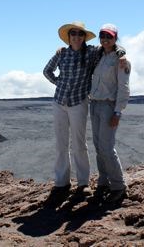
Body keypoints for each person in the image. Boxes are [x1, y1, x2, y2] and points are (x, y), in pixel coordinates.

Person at [43, 21, 98, 195]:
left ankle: (83, 183)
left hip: (78, 103)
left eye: (80, 34)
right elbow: (47, 71)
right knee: (61, 143)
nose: (76, 37)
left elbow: (109, 47)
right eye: (73, 33)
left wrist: (121, 54)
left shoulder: (90, 53)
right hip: (59, 102)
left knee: (79, 144)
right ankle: (61, 182)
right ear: (69, 37)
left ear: (84, 37)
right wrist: (58, 82)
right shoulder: (62, 54)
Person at [89, 23, 130, 203]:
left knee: (107, 147)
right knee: (98, 146)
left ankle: (118, 186)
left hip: (108, 106)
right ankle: (103, 181)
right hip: (95, 104)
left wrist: (118, 112)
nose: (105, 40)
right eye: (102, 36)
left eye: (110, 37)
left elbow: (124, 87)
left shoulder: (120, 60)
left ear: (115, 38)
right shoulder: (98, 55)